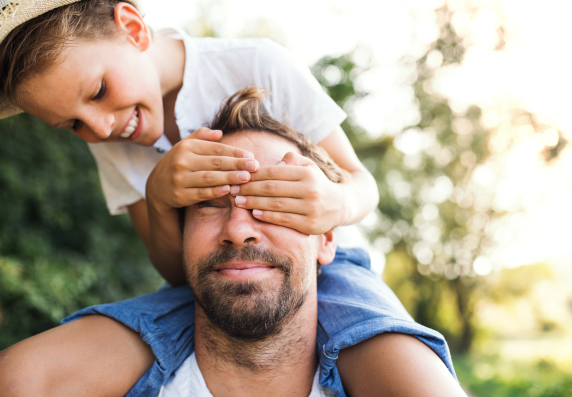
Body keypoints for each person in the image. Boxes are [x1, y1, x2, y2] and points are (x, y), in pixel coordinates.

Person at [0, 1, 455, 396]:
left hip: (323, 264)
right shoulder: (113, 144)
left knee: (386, 354)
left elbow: (362, 182)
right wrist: (158, 199)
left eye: (98, 92)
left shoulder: (257, 63)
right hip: (203, 279)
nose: (99, 128)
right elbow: (176, 272)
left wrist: (334, 204)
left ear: (134, 30)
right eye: (73, 126)